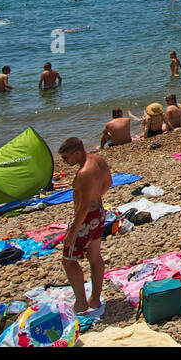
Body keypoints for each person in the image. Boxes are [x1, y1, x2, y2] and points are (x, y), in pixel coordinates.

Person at [57, 137, 111, 320]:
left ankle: (80, 303)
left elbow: (84, 207)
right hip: (99, 214)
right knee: (94, 257)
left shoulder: (84, 173)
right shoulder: (99, 160)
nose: (65, 162)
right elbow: (108, 182)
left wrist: (71, 233)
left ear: (77, 153)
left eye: (66, 158)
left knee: (69, 260)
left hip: (86, 220)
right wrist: (98, 197)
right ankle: (95, 299)